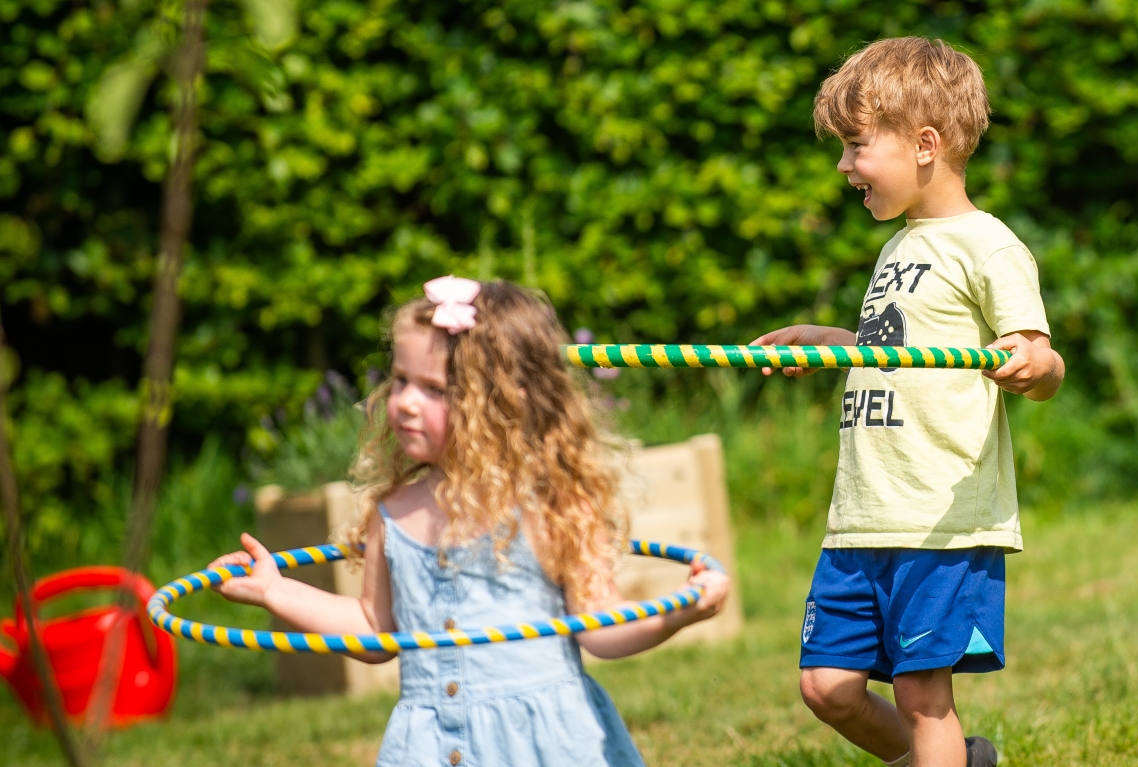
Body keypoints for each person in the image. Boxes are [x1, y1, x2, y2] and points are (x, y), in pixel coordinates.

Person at [209, 277, 731, 767]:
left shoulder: (552, 503)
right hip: (430, 745)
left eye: (434, 390)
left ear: (500, 402)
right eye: (401, 381)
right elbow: (374, 629)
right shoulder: (392, 510)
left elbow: (600, 628)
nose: (406, 403)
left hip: (545, 742)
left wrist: (677, 613)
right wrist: (276, 592)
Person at [751, 38, 1064, 767]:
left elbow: (1040, 358)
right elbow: (894, 343)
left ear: (924, 145)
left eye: (856, 146)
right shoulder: (899, 245)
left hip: (938, 519)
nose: (842, 167)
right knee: (825, 684)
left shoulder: (987, 246)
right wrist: (829, 340)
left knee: (924, 695)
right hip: (860, 512)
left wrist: (1032, 364)